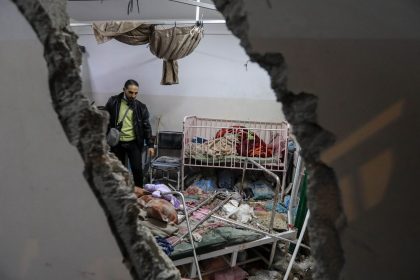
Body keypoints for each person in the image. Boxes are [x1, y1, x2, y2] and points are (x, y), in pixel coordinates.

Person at [105, 79, 155, 187]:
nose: (133, 95)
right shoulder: (113, 102)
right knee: (119, 170)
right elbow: (105, 120)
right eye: (130, 92)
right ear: (124, 90)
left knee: (137, 169)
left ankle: (139, 193)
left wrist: (150, 145)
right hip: (117, 143)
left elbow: (146, 126)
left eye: (136, 93)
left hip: (134, 142)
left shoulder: (141, 107)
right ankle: (121, 193)